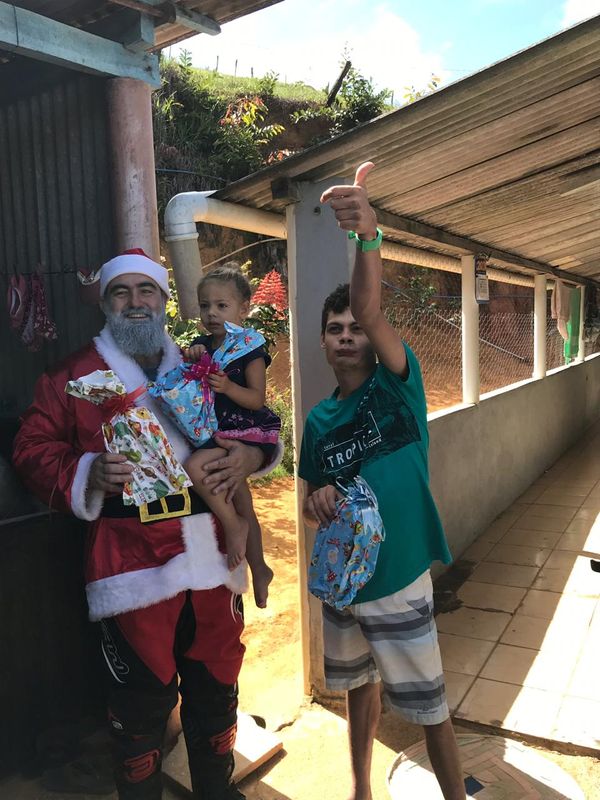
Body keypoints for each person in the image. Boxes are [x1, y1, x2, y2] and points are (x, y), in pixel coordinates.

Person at [12, 249, 282, 800]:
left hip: (213, 557)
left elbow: (253, 420)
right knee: (140, 707)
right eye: (121, 292)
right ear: (106, 303)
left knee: (217, 690)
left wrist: (252, 457)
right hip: (131, 562)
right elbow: (29, 448)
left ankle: (216, 792)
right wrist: (87, 470)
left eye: (146, 291)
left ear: (163, 300)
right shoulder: (72, 375)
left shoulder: (200, 362)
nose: (135, 302)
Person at [298, 163, 466, 800]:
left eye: (355, 329)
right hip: (344, 584)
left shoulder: (399, 385)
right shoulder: (318, 421)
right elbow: (312, 504)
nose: (347, 336)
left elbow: (370, 307)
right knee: (357, 689)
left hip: (398, 578)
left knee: (430, 707)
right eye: (334, 330)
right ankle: (361, 790)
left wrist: (368, 234)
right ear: (322, 342)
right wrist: (319, 500)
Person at [182, 264, 279, 608]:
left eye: (222, 306)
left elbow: (257, 399)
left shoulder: (249, 348)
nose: (212, 313)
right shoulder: (203, 345)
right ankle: (260, 569)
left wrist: (227, 387)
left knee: (195, 468)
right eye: (205, 305)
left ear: (243, 309)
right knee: (241, 498)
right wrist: (192, 355)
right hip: (216, 429)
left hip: (244, 429)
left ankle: (232, 526)